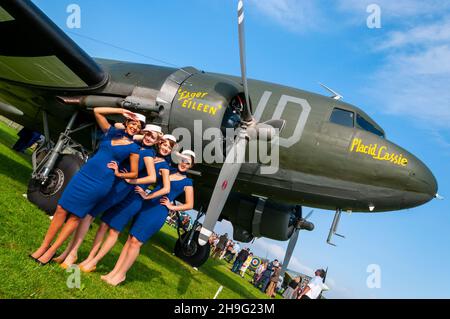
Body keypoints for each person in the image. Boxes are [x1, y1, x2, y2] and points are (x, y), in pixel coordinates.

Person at [30, 107, 143, 265]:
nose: (135, 127)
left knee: (76, 216)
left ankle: (51, 251)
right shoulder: (110, 132)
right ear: (127, 123)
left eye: (138, 126)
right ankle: (43, 246)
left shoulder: (134, 148)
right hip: (83, 176)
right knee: (61, 209)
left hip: (100, 183)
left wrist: (119, 173)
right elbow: (98, 111)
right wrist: (120, 110)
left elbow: (134, 173)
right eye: (133, 123)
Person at [54, 124, 163, 268]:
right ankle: (68, 252)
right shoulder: (135, 143)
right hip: (109, 182)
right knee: (85, 215)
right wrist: (142, 133)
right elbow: (119, 126)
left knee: (88, 216)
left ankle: (72, 254)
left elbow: (152, 177)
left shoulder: (148, 154)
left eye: (152, 137)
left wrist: (129, 179)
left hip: (120, 188)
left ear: (156, 141)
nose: (148, 138)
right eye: (147, 134)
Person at [75, 134, 176, 273]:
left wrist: (147, 195)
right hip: (123, 193)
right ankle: (89, 258)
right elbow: (136, 137)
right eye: (164, 144)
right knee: (103, 224)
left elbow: (166, 188)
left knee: (114, 230)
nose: (165, 148)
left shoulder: (164, 165)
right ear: (159, 143)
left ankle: (94, 261)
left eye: (169, 147)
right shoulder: (149, 153)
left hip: (134, 199)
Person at [101, 150, 196, 286]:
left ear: (191, 166)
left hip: (158, 211)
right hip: (146, 206)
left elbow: (190, 204)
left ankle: (121, 275)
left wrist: (172, 207)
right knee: (130, 240)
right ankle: (114, 272)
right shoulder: (169, 170)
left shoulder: (188, 182)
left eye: (188, 163)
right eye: (183, 160)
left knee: (136, 243)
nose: (184, 164)